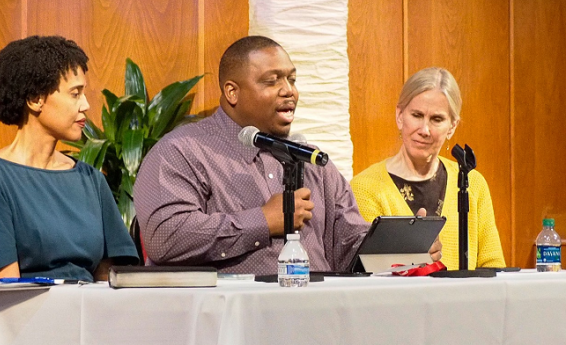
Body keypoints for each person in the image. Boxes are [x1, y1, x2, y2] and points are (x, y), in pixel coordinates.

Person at [133, 36, 432, 275]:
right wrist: (262, 220)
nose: (289, 91)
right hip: (231, 322)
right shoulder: (182, 152)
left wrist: (400, 247)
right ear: (232, 92)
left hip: (318, 318)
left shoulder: (313, 161)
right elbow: (165, 237)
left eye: (291, 79)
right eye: (271, 80)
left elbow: (348, 245)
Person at [0, 36, 138, 283]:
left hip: (89, 316)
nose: (85, 105)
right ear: (35, 99)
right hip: (28, 317)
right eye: (75, 94)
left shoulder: (91, 180)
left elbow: (108, 281)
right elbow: (3, 292)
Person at [351, 67, 505, 270]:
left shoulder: (472, 183)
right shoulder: (364, 188)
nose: (424, 130)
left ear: (452, 126)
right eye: (417, 115)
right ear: (399, 116)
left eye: (437, 119)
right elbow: (365, 273)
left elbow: (493, 266)